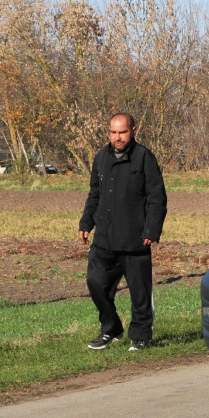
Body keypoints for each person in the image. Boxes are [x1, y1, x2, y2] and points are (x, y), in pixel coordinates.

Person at [79, 113, 168, 351]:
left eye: (122, 132)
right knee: (95, 284)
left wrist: (151, 228)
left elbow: (157, 197)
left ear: (133, 131)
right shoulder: (101, 157)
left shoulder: (144, 158)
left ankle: (140, 335)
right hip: (104, 238)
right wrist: (86, 222)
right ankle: (111, 329)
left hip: (135, 238)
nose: (117, 137)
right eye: (113, 132)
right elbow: (94, 194)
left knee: (140, 292)